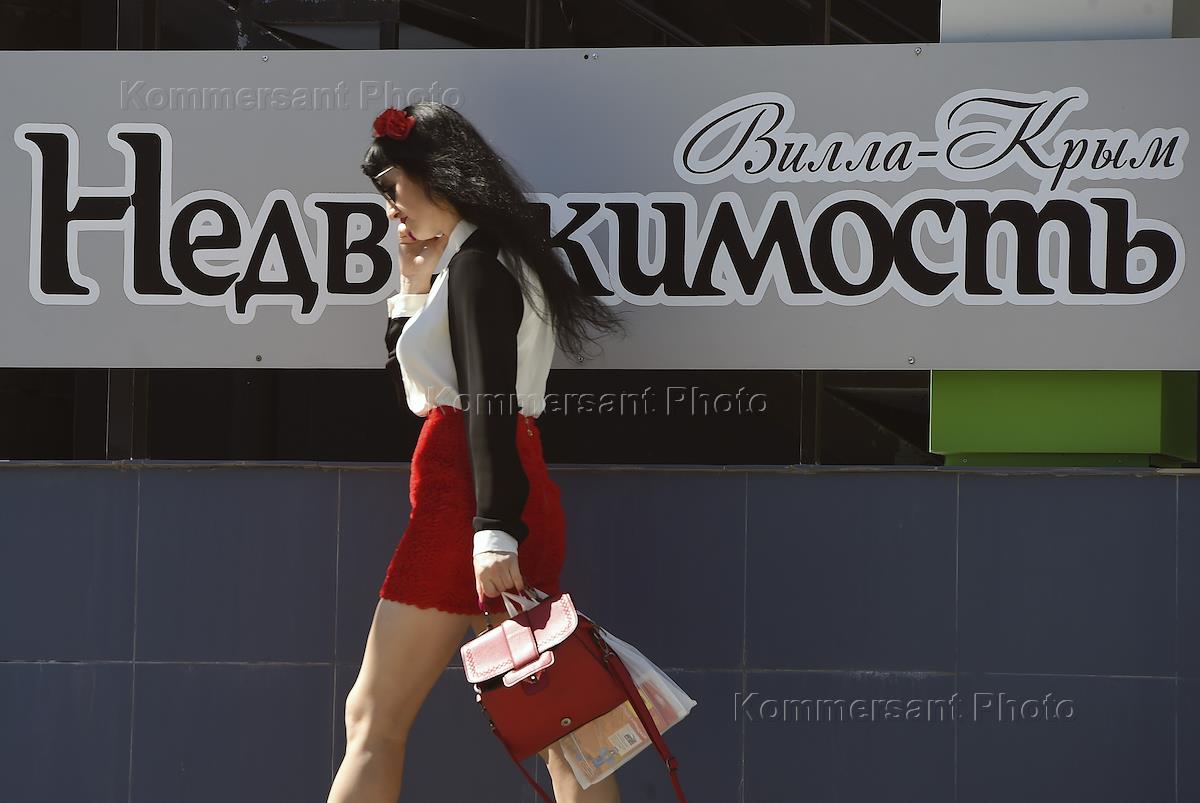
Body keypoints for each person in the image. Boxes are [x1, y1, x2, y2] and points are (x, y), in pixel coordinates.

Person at [327, 103, 626, 803]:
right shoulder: (486, 260)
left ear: (438, 177)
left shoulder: (478, 267)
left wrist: (492, 530)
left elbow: (484, 399)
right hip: (496, 497)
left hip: (469, 500)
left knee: (373, 719)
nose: (391, 210)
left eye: (394, 188)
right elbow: (429, 394)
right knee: (565, 727)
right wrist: (411, 287)